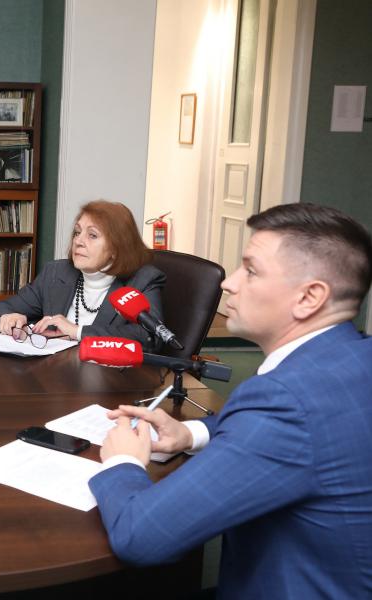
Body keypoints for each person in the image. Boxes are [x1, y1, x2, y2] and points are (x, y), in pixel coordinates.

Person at [89, 203, 372, 598]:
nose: (229, 283)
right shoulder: (354, 357)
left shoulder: (285, 401)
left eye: (251, 271)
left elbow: (139, 536)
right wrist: (191, 434)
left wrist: (122, 460)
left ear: (310, 297)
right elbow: (306, 430)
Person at [0, 200, 166, 351]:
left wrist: (77, 331)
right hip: (54, 371)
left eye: (92, 235)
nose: (78, 241)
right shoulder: (55, 273)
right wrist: (6, 319)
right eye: (77, 232)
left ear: (117, 247)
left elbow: (151, 337)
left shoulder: (143, 280)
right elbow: (1, 308)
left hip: (109, 378)